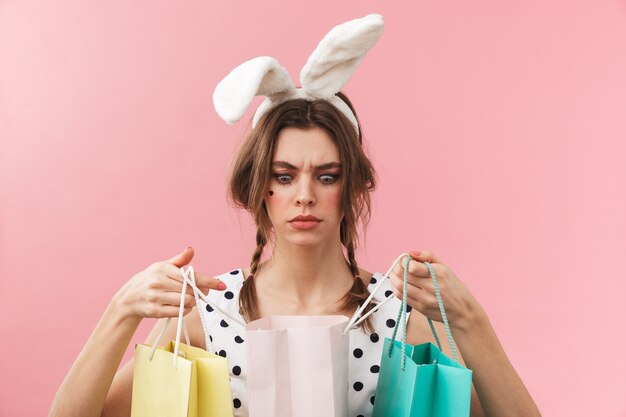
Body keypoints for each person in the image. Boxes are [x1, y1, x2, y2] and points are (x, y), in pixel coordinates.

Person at [49, 14, 541, 417]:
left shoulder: (399, 320)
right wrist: (121, 311)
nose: (304, 195)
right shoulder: (208, 319)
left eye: (326, 176)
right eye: (284, 176)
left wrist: (470, 321)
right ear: (258, 186)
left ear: (352, 188)